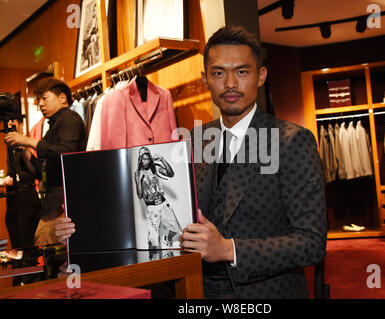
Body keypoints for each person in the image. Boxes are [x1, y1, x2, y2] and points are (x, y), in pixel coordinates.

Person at [55, 25, 327, 299]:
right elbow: (154, 217)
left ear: (261, 76)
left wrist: (229, 249)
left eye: (242, 71)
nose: (230, 83)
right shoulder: (193, 140)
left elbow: (311, 242)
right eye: (218, 73)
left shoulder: (291, 141)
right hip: (194, 289)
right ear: (205, 79)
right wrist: (85, 238)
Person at [4, 77, 87, 246]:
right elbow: (46, 173)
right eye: (38, 100)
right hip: (53, 202)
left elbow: (67, 153)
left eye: (44, 98)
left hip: (62, 203)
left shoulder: (69, 118)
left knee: (54, 254)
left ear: (62, 98)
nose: (40, 104)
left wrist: (28, 141)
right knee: (48, 252)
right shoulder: (55, 124)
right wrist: (27, 153)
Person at [1, 118, 40, 250]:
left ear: (21, 125)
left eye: (14, 126)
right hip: (13, 198)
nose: (11, 130)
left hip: (26, 197)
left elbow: (37, 172)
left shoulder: (26, 146)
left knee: (26, 243)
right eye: (8, 127)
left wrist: (25, 149)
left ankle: (29, 268)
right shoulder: (10, 148)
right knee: (15, 242)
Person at [134, 146, 181, 249]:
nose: (145, 159)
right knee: (153, 240)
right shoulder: (138, 173)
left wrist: (162, 159)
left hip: (163, 203)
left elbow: (171, 174)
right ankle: (154, 259)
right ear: (140, 158)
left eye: (147, 155)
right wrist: (139, 180)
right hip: (152, 208)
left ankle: (167, 240)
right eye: (142, 156)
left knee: (176, 229)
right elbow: (140, 195)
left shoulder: (155, 168)